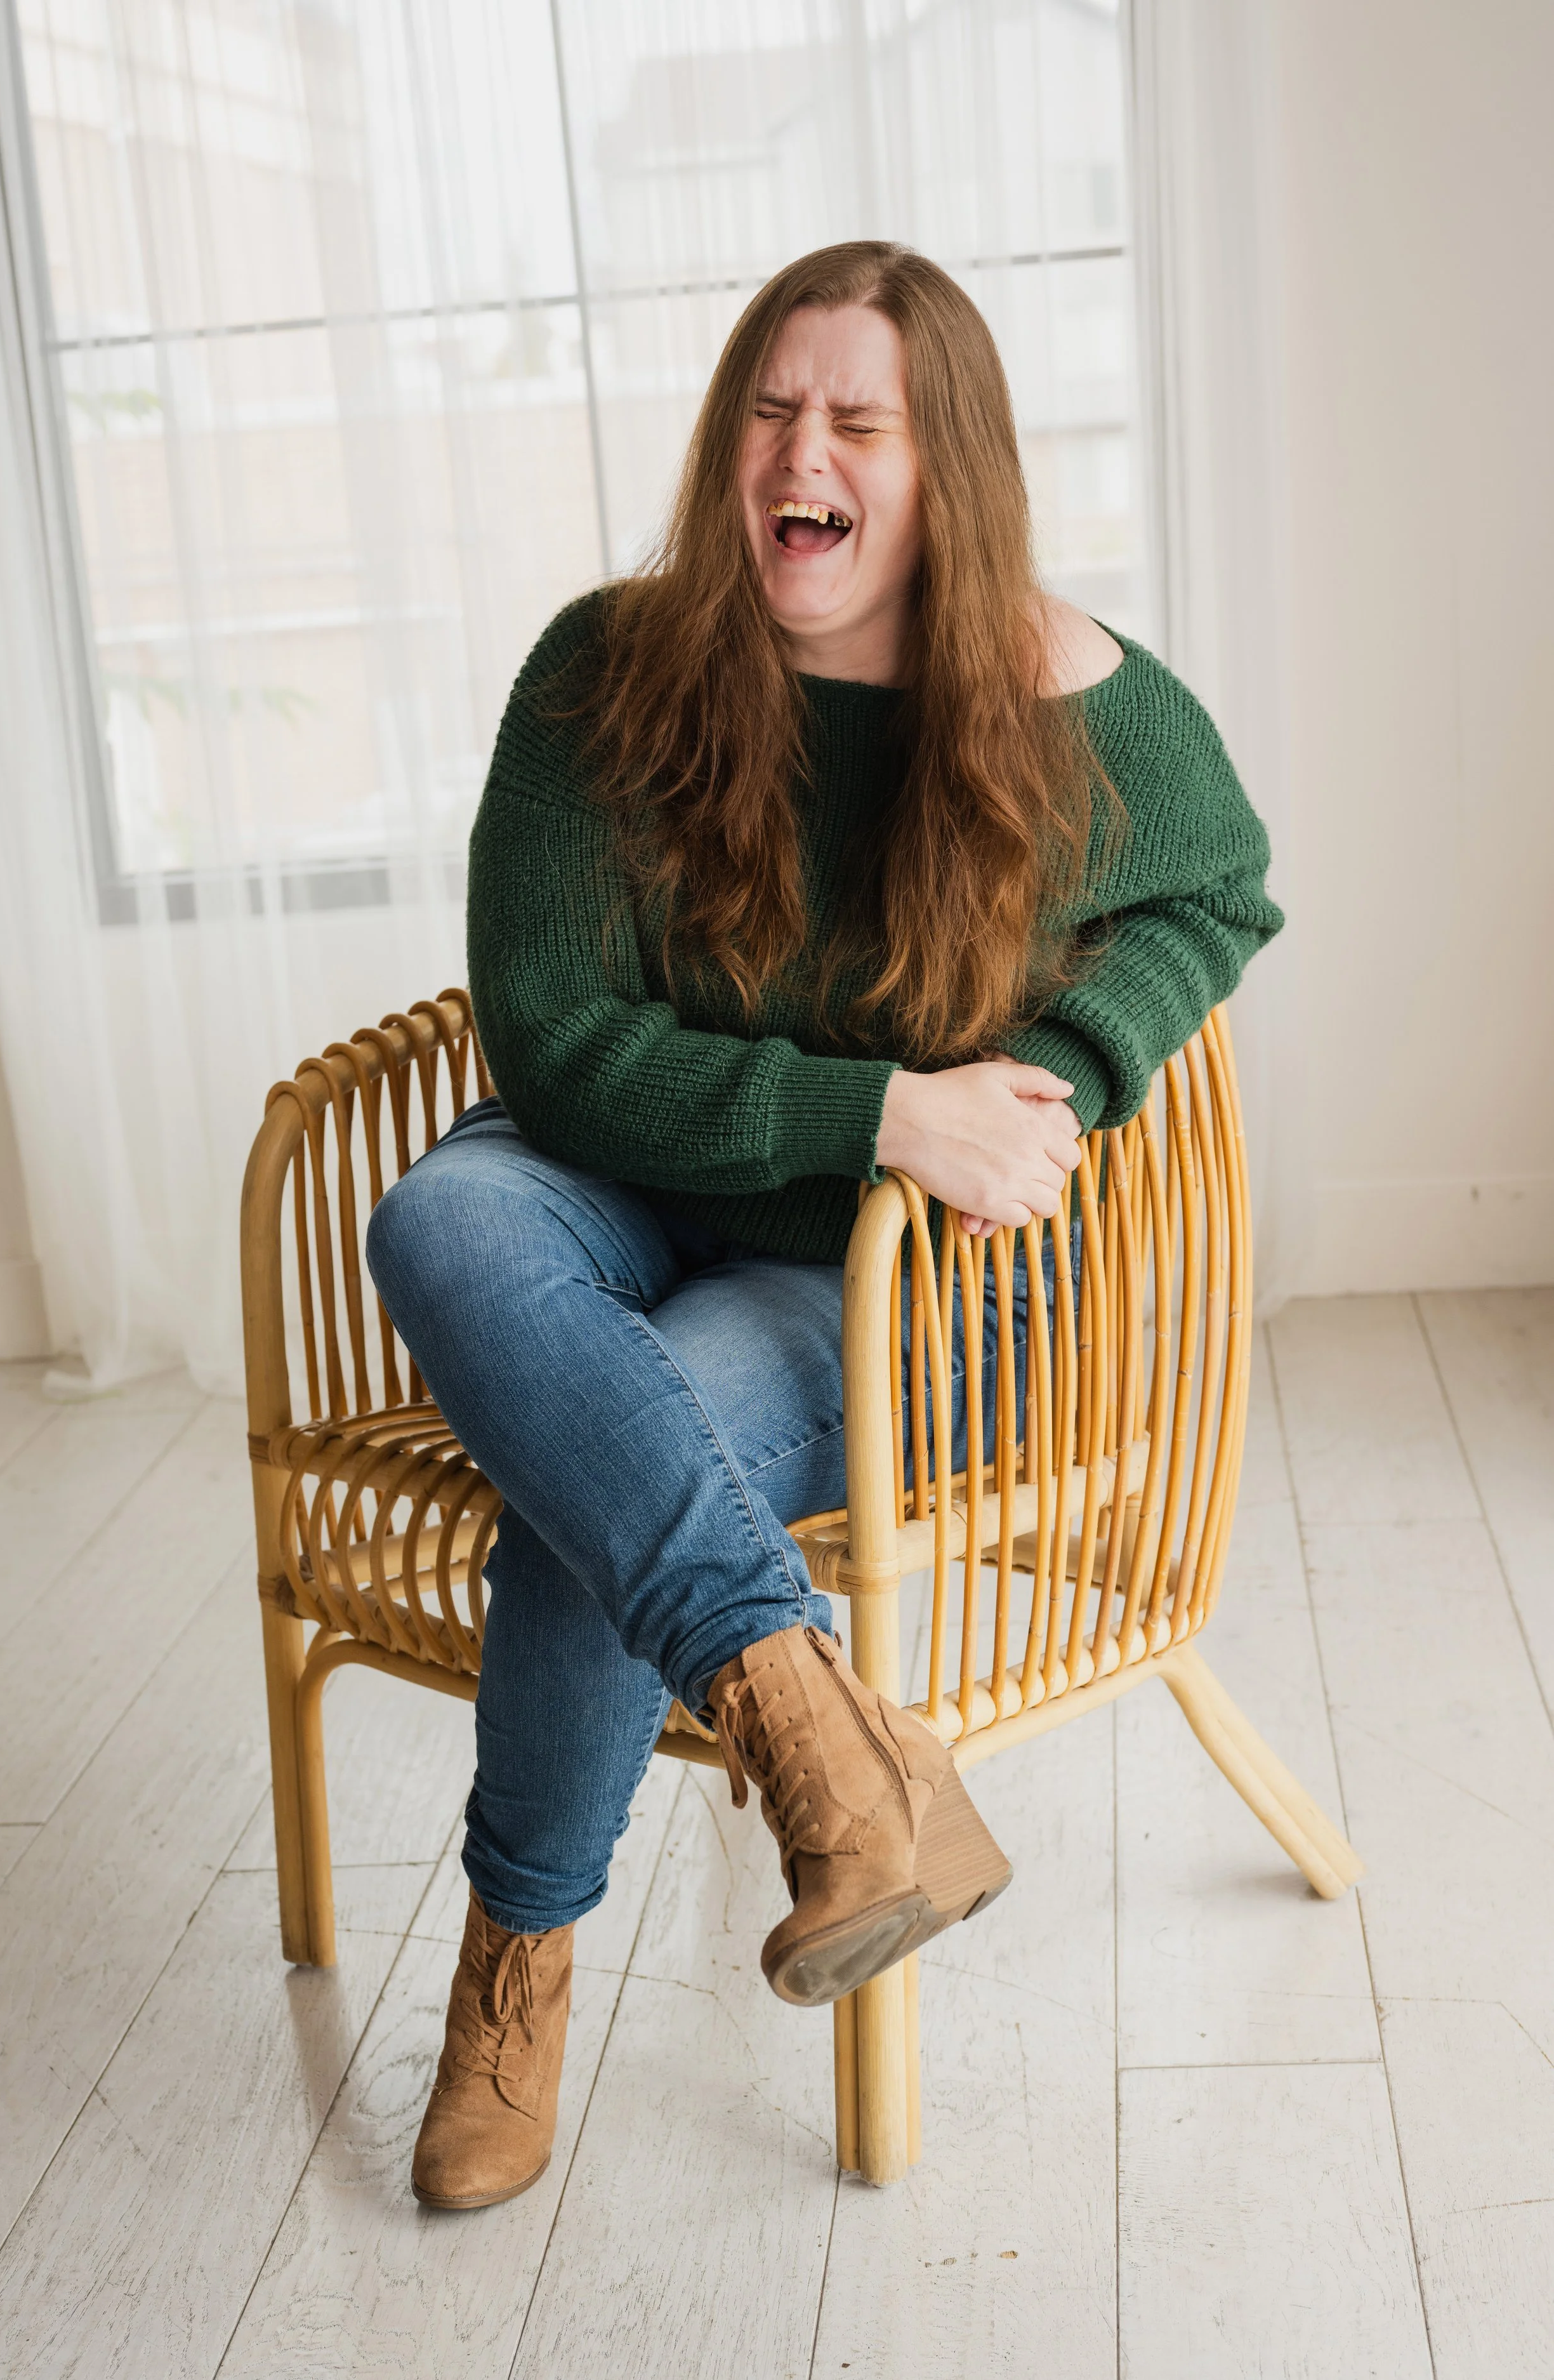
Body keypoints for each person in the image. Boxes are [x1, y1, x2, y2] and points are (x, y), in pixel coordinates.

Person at [365, 241, 1282, 2211]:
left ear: (942, 468)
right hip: (617, 1184)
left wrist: (1055, 1076)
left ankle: (509, 1960)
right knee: (440, 1215)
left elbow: (1217, 893)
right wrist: (880, 1101)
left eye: (860, 420)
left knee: (602, 1454)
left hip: (873, 1283)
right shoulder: (603, 670)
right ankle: (827, 1746)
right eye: (774, 410)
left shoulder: (1062, 695)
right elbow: (556, 1042)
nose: (807, 451)